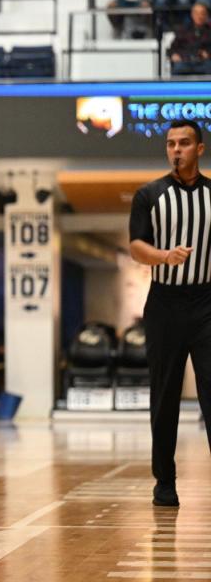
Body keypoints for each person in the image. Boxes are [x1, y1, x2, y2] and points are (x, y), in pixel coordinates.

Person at [129, 119, 210, 508]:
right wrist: (165, 256)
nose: (176, 149)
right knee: (164, 397)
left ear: (200, 149)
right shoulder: (150, 195)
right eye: (170, 144)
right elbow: (136, 247)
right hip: (164, 304)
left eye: (184, 143)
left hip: (207, 303)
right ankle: (165, 482)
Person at [168, 2, 211, 71]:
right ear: (192, 15)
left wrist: (208, 54)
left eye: (202, 13)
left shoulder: (209, 31)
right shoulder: (183, 30)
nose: (199, 16)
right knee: (179, 67)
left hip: (204, 63)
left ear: (206, 15)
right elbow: (172, 49)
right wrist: (174, 55)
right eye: (196, 13)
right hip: (185, 61)